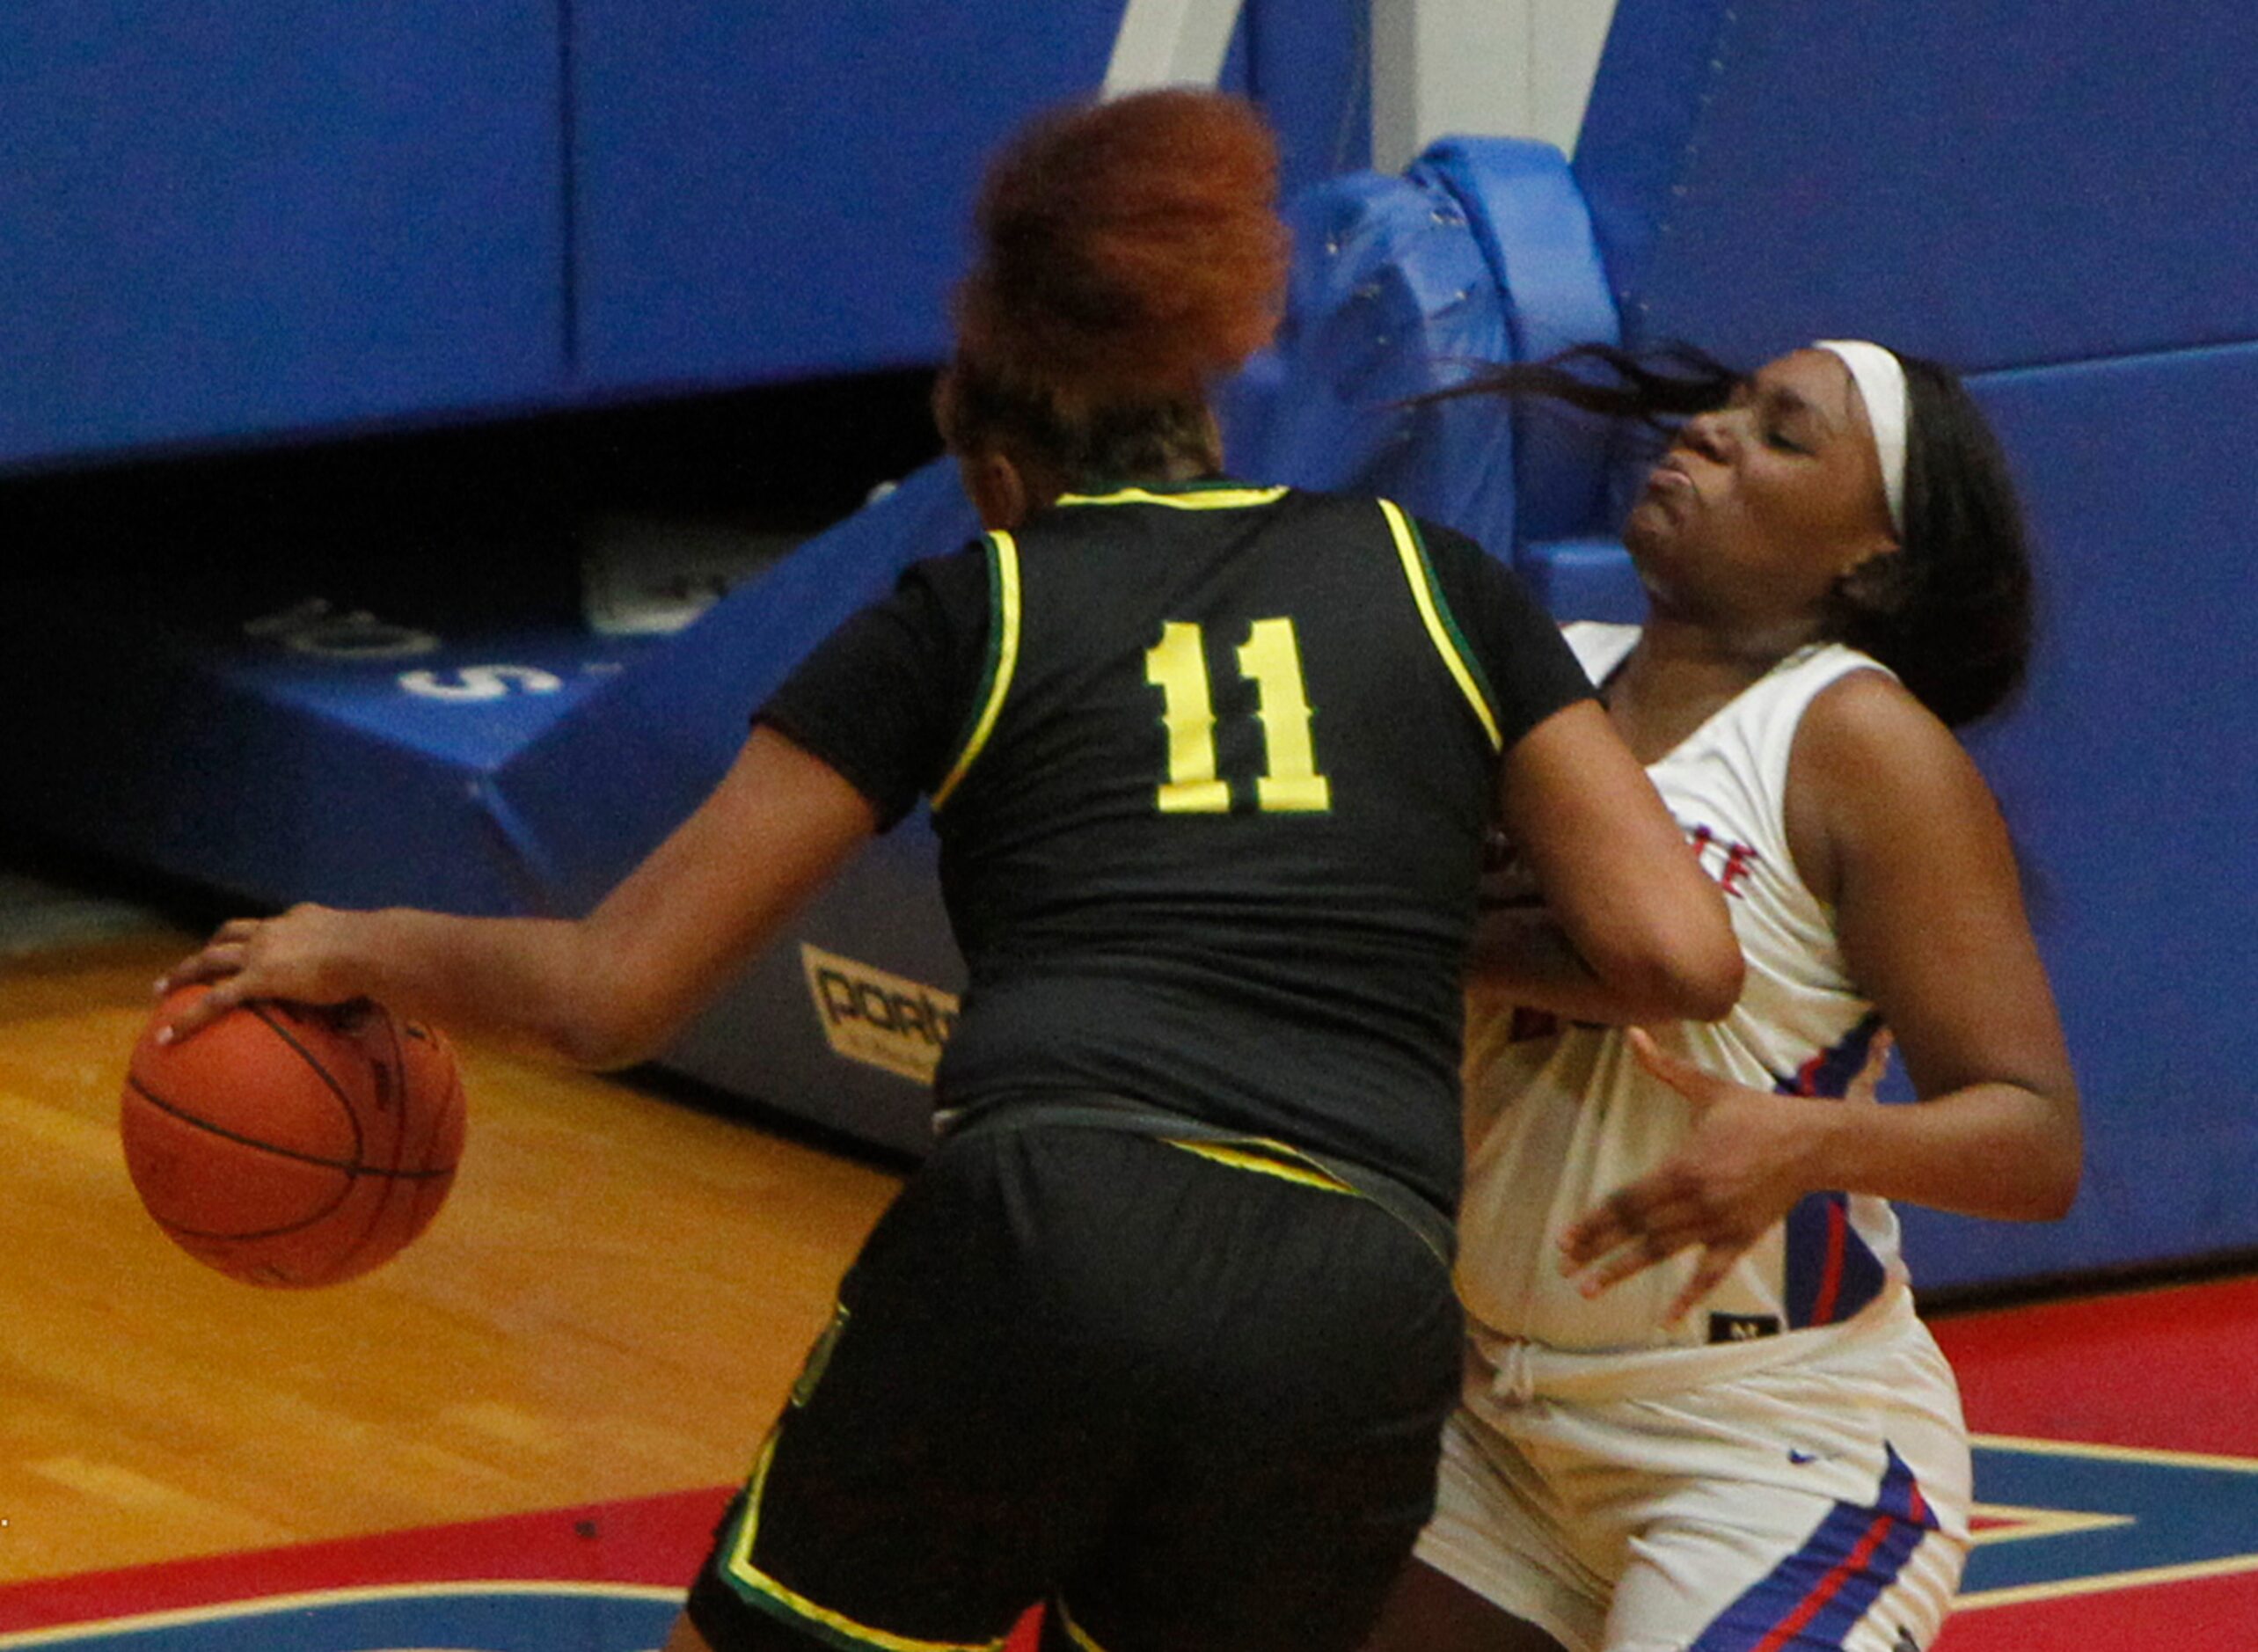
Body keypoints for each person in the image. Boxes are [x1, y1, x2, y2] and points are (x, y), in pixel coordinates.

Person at [159, 93, 1741, 1652]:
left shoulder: (968, 609)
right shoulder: (1433, 577)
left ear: (995, 481)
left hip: (1055, 1223)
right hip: (1358, 1283)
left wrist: (354, 940)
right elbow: (1680, 955)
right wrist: (1376, 927)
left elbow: (608, 995)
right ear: (1207, 408)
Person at [1360, 340, 2082, 1652]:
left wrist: (1812, 1137)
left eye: (1781, 433)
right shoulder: (1539, 675)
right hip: (1496, 1430)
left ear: (1874, 561)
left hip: (1767, 1449)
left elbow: (2035, 1140)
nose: (1707, 432)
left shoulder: (1856, 743)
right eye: (1727, 404)